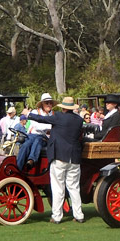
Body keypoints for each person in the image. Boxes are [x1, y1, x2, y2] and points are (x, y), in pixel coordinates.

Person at [21, 96, 85, 224]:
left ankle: (57, 216)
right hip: (74, 157)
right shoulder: (78, 120)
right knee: (74, 187)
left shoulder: (59, 117)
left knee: (58, 187)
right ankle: (79, 215)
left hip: (59, 155)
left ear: (64, 108)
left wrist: (28, 114)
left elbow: (42, 118)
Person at [16, 94, 54, 171]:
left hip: (43, 138)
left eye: (50, 103)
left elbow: (42, 127)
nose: (49, 105)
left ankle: (32, 160)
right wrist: (49, 127)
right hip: (32, 135)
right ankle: (18, 168)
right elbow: (37, 126)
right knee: (25, 145)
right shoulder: (35, 112)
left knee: (38, 140)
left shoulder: (53, 114)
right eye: (47, 103)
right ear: (42, 104)